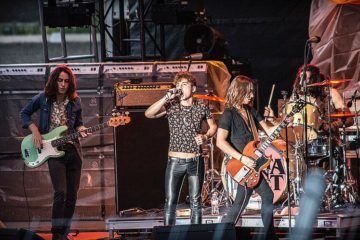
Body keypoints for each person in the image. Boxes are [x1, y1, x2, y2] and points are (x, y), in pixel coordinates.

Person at [20, 65, 88, 240]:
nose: (63, 84)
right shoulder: (43, 99)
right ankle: (56, 234)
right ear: (54, 80)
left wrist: (81, 128)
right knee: (61, 193)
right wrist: (34, 130)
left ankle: (64, 234)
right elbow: (24, 113)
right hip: (53, 151)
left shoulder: (75, 101)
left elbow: (78, 123)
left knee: (72, 196)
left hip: (73, 151)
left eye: (66, 81)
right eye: (60, 80)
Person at [145, 71, 217, 225]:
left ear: (193, 88)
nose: (180, 88)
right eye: (178, 85)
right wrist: (166, 97)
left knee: (196, 201)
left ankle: (195, 234)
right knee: (170, 200)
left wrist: (205, 136)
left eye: (184, 85)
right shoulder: (171, 105)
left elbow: (213, 127)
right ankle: (168, 232)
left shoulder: (202, 107)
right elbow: (148, 114)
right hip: (175, 161)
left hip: (195, 160)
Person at [216, 75, 279, 239]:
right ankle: (267, 235)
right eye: (249, 92)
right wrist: (242, 158)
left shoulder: (251, 111)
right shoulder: (228, 114)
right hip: (240, 164)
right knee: (249, 200)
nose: (252, 95)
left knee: (252, 199)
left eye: (252, 91)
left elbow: (270, 131)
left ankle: (267, 234)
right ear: (239, 91)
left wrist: (285, 121)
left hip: (253, 164)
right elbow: (220, 142)